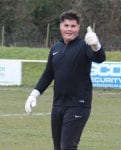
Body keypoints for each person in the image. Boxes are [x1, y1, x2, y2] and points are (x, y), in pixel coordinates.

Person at [25, 10, 106, 150]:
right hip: (58, 105)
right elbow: (48, 74)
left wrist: (96, 45)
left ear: (78, 27)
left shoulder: (85, 45)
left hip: (78, 105)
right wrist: (34, 94)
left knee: (67, 147)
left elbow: (100, 58)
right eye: (66, 25)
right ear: (60, 26)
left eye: (73, 26)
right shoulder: (56, 48)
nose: (69, 29)